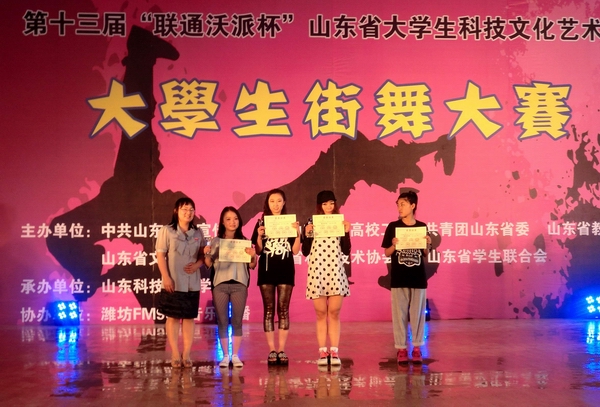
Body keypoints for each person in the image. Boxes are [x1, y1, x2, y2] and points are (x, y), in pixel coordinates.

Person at [381, 190, 432, 365]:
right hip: (399, 277)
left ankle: (417, 347)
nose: (399, 208)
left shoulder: (421, 227)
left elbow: (425, 253)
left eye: (402, 204)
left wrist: (427, 243)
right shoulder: (393, 227)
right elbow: (387, 252)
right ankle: (401, 348)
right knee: (399, 314)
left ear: (413, 205)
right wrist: (394, 246)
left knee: (417, 314)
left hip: (418, 277)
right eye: (398, 204)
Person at [252, 189, 301, 365]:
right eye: (272, 201)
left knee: (284, 310)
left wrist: (298, 233)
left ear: (284, 202)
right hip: (266, 272)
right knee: (268, 310)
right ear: (267, 203)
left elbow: (295, 250)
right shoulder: (261, 222)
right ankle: (272, 350)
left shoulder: (290, 223)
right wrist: (259, 236)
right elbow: (258, 251)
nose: (276, 204)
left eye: (279, 201)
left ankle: (282, 350)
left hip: (285, 270)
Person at [156, 197, 206, 368]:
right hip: (173, 281)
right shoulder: (167, 230)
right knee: (173, 317)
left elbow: (203, 255)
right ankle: (175, 354)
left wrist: (197, 265)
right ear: (176, 211)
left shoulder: (198, 233)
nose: (188, 212)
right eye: (184, 209)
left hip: (192, 282)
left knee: (189, 318)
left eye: (191, 209)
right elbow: (160, 255)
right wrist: (166, 277)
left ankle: (187, 354)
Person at [302, 190, 351, 366]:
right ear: (319, 206)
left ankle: (334, 351)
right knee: (321, 313)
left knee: (335, 312)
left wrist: (346, 232)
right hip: (318, 271)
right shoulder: (312, 222)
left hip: (335, 270)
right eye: (325, 204)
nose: (329, 207)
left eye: (331, 203)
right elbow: (305, 251)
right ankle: (323, 351)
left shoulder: (340, 222)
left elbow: (346, 250)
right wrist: (306, 234)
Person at [204, 206, 256, 368]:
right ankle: (225, 356)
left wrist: (253, 256)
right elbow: (208, 264)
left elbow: (252, 265)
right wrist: (207, 252)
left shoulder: (244, 241)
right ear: (222, 222)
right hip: (220, 284)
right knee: (222, 321)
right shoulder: (216, 241)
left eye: (235, 218)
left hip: (239, 284)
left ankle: (235, 355)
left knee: (237, 321)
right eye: (228, 219)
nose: (232, 222)